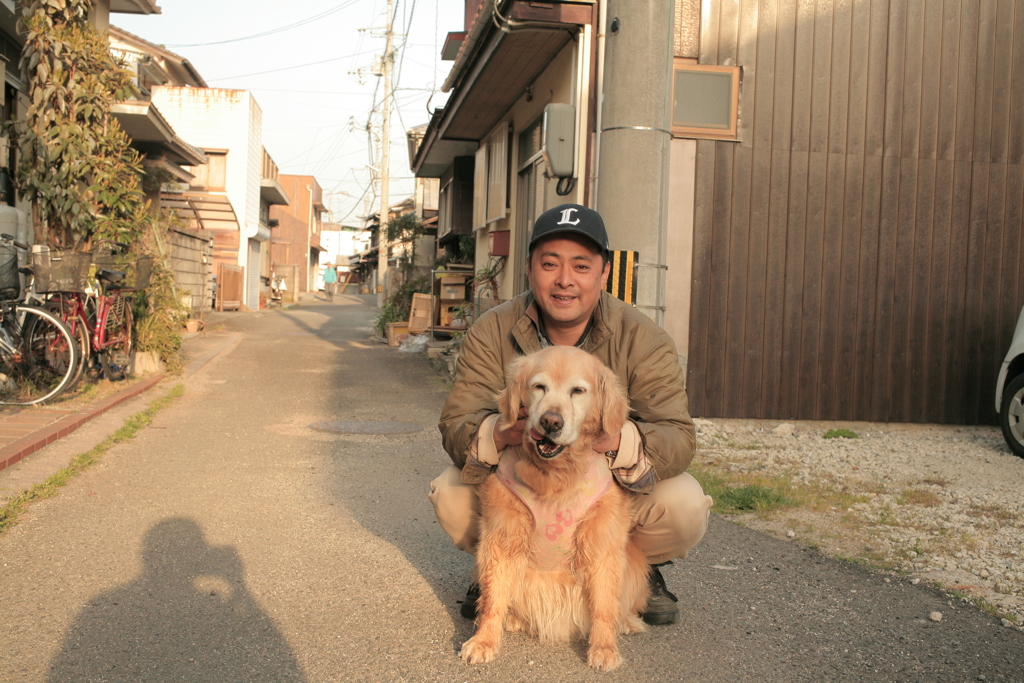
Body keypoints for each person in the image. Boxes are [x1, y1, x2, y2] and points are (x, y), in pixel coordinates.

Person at [431, 203, 713, 626]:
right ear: (529, 269)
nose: (565, 280)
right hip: (521, 478)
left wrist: (614, 440)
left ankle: (632, 572)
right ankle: (502, 573)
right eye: (550, 264)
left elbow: (677, 434)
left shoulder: (644, 338)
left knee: (684, 503)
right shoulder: (491, 330)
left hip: (606, 492)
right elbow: (457, 422)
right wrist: (508, 431)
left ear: (603, 274)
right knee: (451, 492)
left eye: (581, 266)